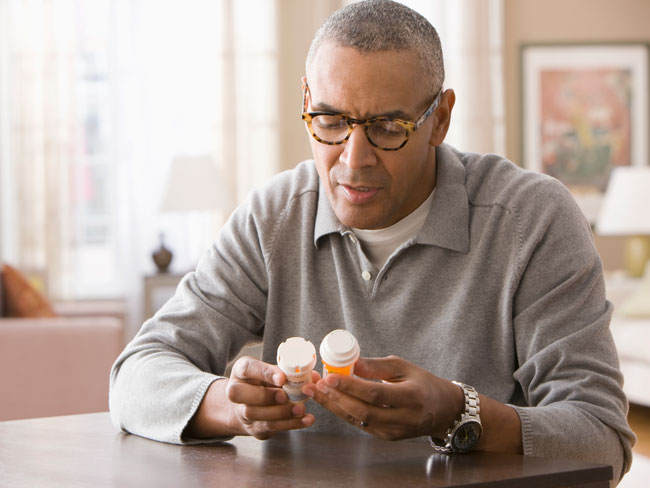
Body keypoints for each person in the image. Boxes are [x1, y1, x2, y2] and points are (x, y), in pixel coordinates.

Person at [109, 0, 635, 482]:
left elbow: (601, 440)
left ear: (440, 119)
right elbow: (136, 375)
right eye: (331, 121)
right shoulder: (274, 216)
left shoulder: (533, 220)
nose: (353, 159)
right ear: (307, 102)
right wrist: (230, 404)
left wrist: (458, 412)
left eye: (387, 127)